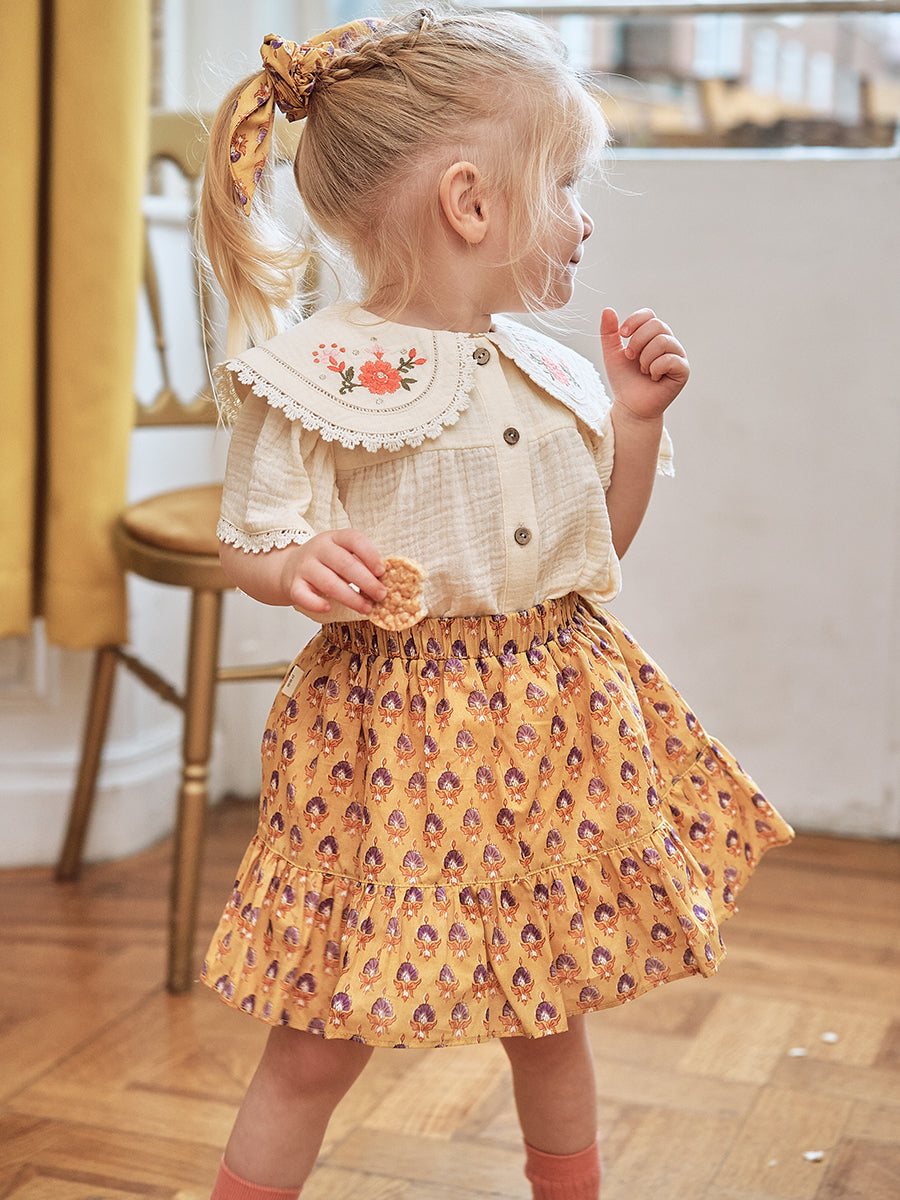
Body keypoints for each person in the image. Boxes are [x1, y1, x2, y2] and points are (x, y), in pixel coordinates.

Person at [197, 8, 794, 1199]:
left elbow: (594, 553)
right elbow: (253, 539)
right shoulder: (319, 379)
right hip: (391, 742)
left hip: (549, 725)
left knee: (550, 1005)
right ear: (470, 203)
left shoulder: (552, 372)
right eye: (566, 185)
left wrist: (634, 425)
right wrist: (292, 567)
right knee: (315, 1040)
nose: (583, 218)